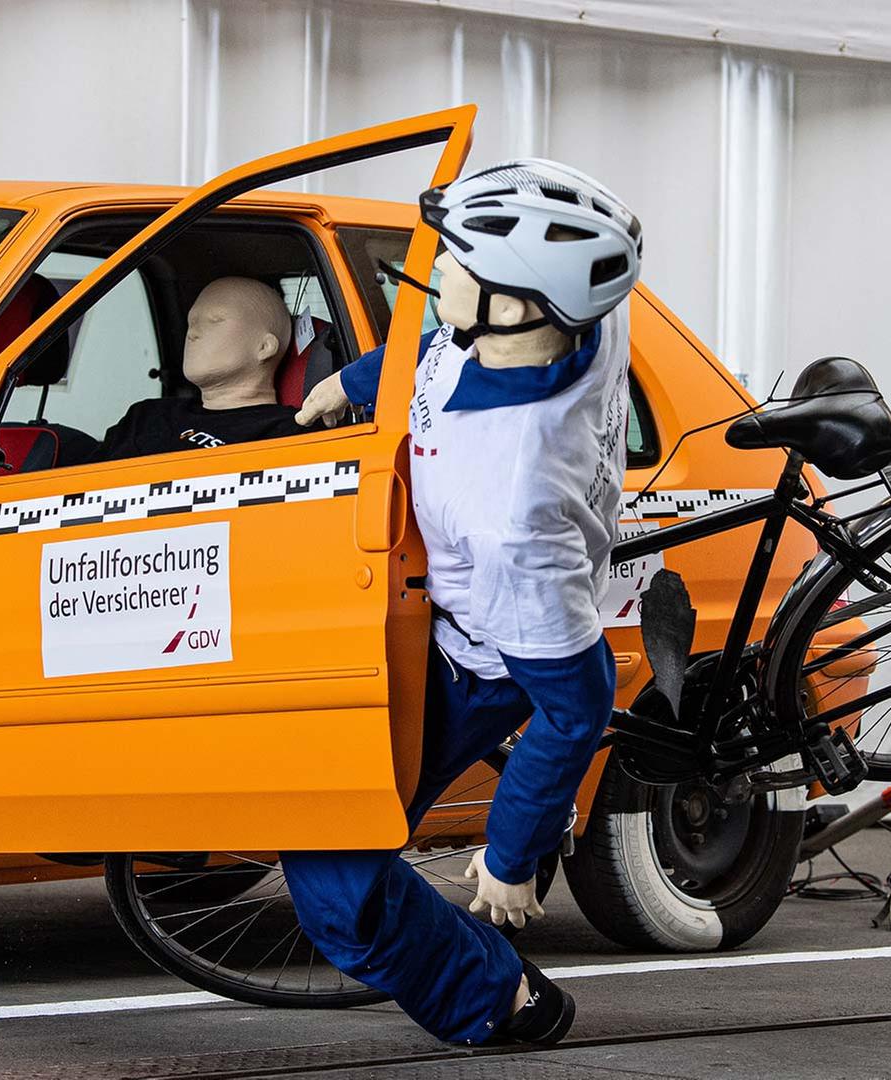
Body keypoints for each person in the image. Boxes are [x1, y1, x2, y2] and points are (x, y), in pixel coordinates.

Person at [286, 159, 643, 1047]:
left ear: (520, 306)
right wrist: (359, 382)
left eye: (457, 263)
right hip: (433, 601)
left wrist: (511, 856)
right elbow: (438, 352)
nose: (436, 269)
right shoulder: (570, 313)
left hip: (476, 658)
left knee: (338, 888)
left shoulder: (511, 511)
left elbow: (575, 703)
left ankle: (502, 1000)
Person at [91, 276, 303, 460]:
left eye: (215, 320)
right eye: (191, 322)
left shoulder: (291, 435)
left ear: (264, 347)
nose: (192, 333)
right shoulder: (146, 417)